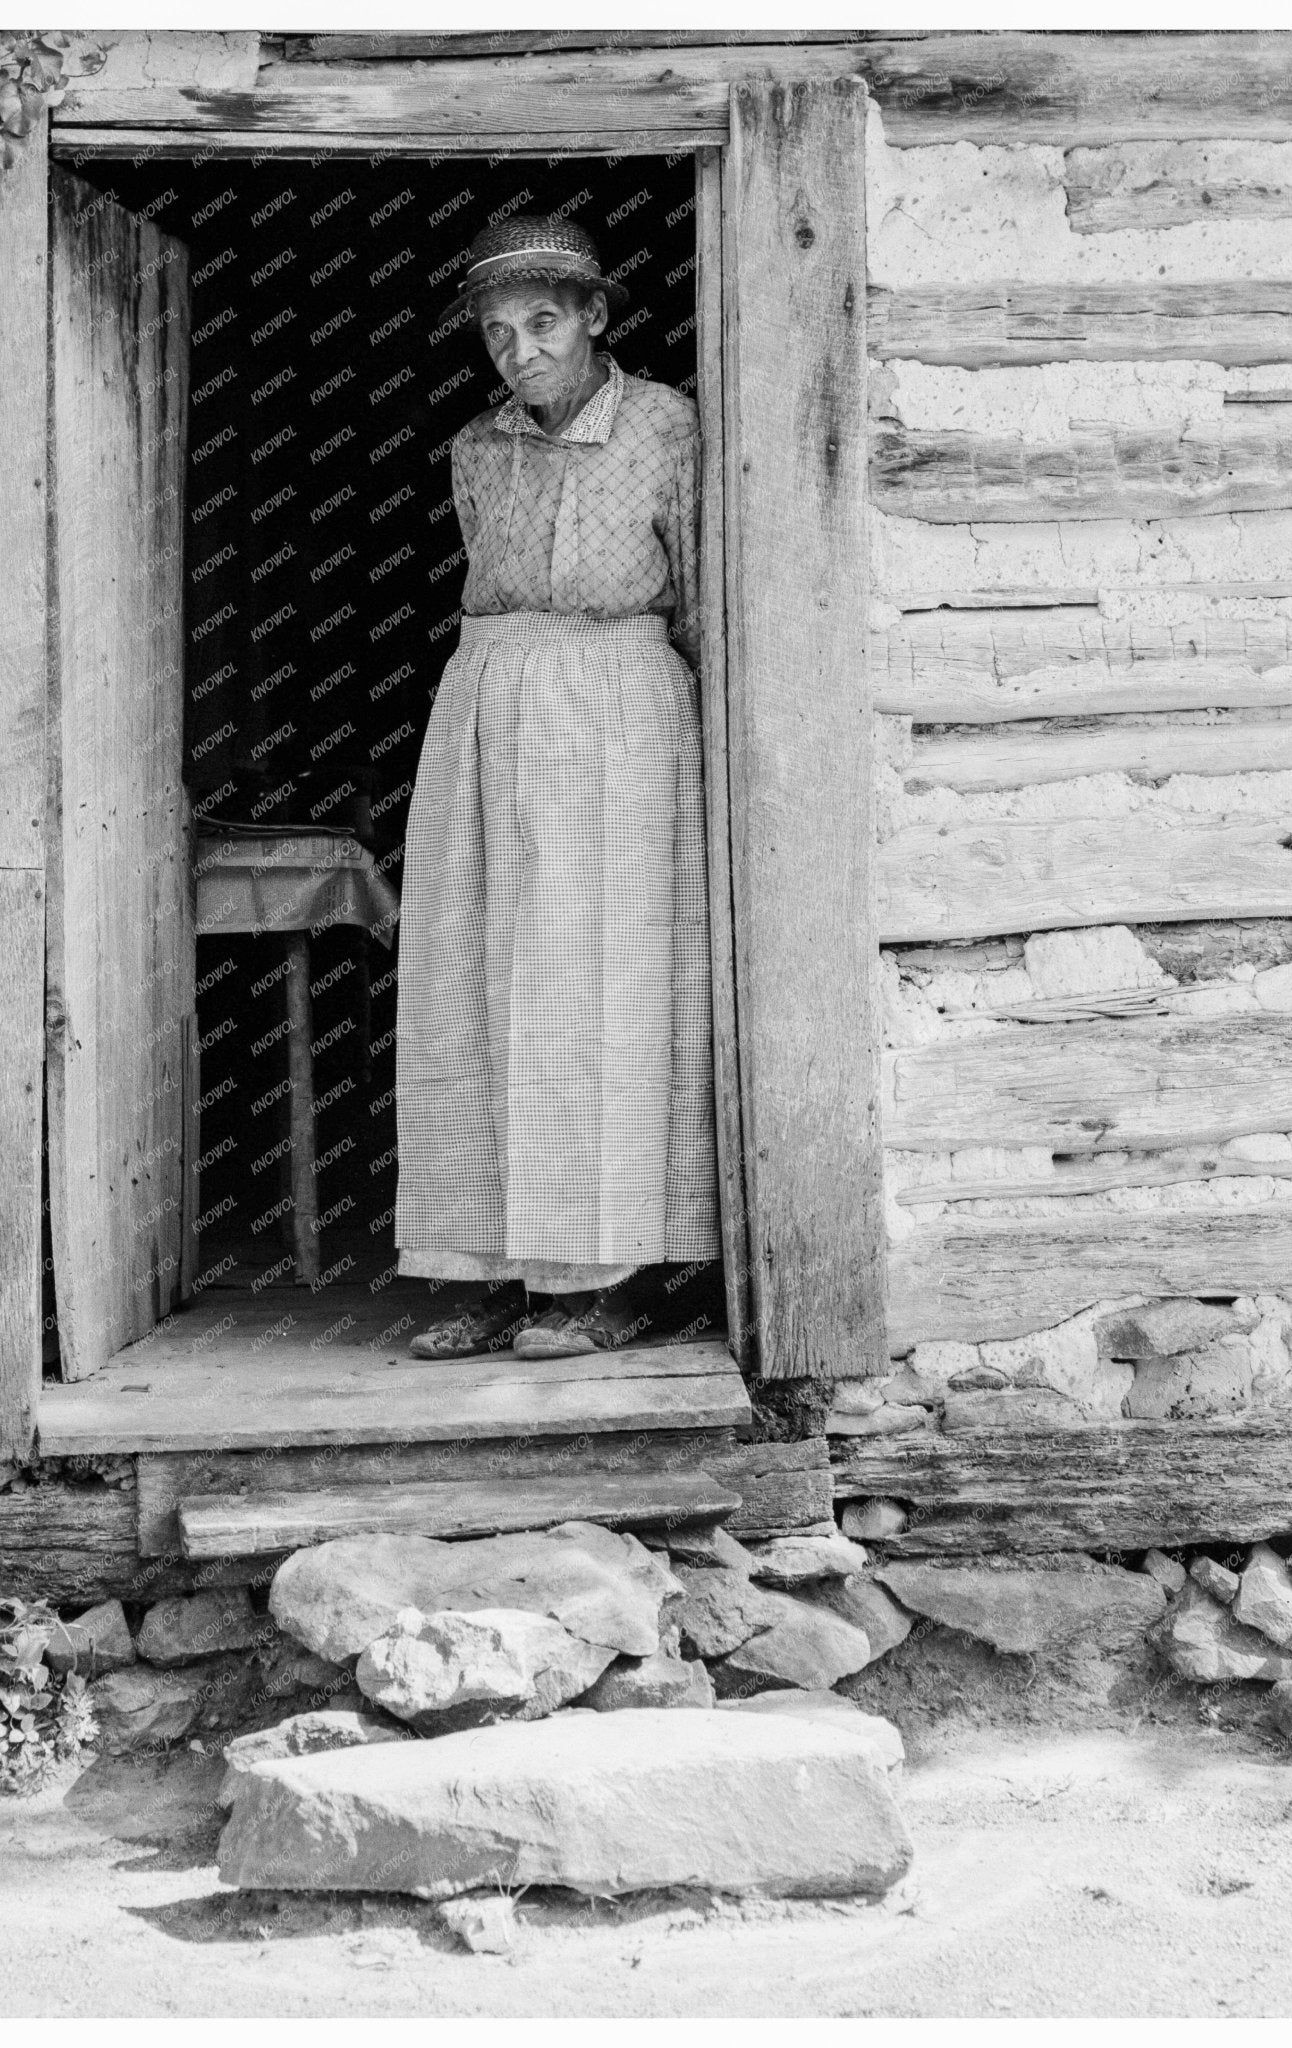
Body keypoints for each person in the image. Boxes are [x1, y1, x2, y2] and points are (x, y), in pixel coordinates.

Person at [395, 214, 719, 1360]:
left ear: (591, 316)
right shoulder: (474, 450)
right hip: (486, 705)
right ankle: (490, 1267)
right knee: (476, 984)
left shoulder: (668, 427)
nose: (518, 350)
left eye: (540, 322)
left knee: (595, 993)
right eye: (496, 333)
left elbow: (699, 595)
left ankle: (601, 1279)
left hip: (616, 712)